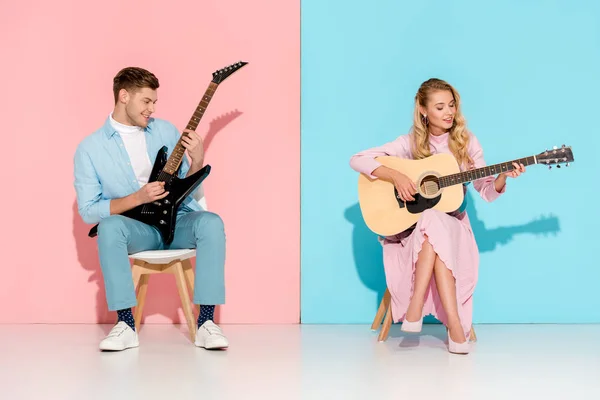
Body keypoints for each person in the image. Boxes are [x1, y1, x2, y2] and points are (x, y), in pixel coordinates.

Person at [349, 78, 525, 354]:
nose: (448, 112)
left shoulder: (465, 142)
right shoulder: (408, 143)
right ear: (423, 110)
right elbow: (357, 159)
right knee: (430, 219)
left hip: (455, 229)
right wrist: (395, 176)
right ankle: (455, 329)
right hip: (413, 235)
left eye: (452, 105)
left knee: (434, 219)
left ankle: (415, 308)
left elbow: (486, 191)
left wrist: (502, 176)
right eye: (440, 106)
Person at [74, 67, 228, 351]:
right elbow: (88, 211)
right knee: (108, 227)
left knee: (211, 222)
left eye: (155, 102)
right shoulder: (90, 149)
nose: (152, 108)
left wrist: (197, 161)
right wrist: (137, 197)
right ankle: (125, 325)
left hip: (178, 223)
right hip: (139, 230)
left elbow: (185, 185)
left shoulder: (166, 131)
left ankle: (206, 322)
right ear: (124, 96)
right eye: (146, 101)